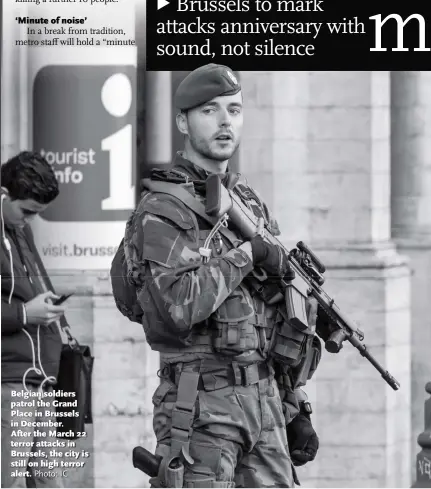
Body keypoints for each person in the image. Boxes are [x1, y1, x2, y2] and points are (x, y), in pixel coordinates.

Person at [121, 64, 322, 487]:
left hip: (264, 402)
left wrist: (293, 402)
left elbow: (270, 313)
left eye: (234, 109)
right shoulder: (163, 211)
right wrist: (247, 254)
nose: (225, 121)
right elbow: (178, 307)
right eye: (210, 111)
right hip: (201, 406)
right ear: (182, 121)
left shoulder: (246, 201)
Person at [1, 151, 68, 488]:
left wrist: (48, 307)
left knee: (49, 482)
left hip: (38, 376)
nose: (28, 220)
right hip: (9, 380)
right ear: (3, 195)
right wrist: (26, 313)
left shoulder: (17, 231)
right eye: (26, 211)